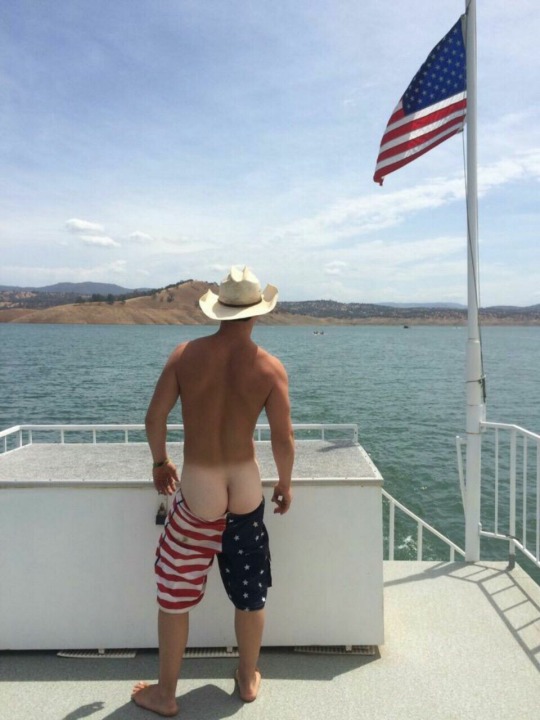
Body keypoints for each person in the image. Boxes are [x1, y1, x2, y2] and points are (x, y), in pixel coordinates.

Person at [132, 266, 295, 717]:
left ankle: (166, 694)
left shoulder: (185, 356)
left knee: (175, 598)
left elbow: (154, 418)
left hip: (198, 497)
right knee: (250, 595)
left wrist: (161, 463)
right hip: (245, 495)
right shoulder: (270, 368)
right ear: (257, 314)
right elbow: (283, 439)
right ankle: (246, 678)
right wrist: (284, 483)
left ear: (219, 311)